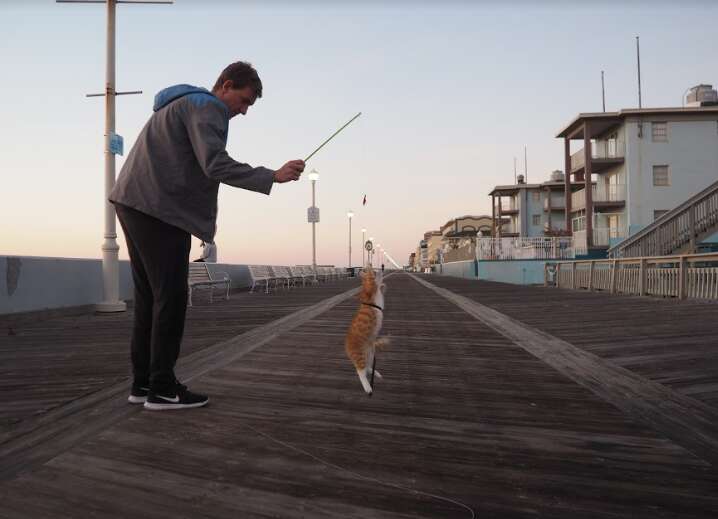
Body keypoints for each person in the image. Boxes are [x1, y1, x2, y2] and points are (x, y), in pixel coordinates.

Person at [110, 61, 304, 410]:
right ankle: (163, 388)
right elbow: (214, 163)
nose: (243, 112)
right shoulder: (208, 106)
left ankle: (143, 384)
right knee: (170, 298)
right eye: (244, 101)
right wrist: (271, 176)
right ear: (226, 85)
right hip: (159, 209)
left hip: (132, 200)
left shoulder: (180, 104)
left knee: (150, 298)